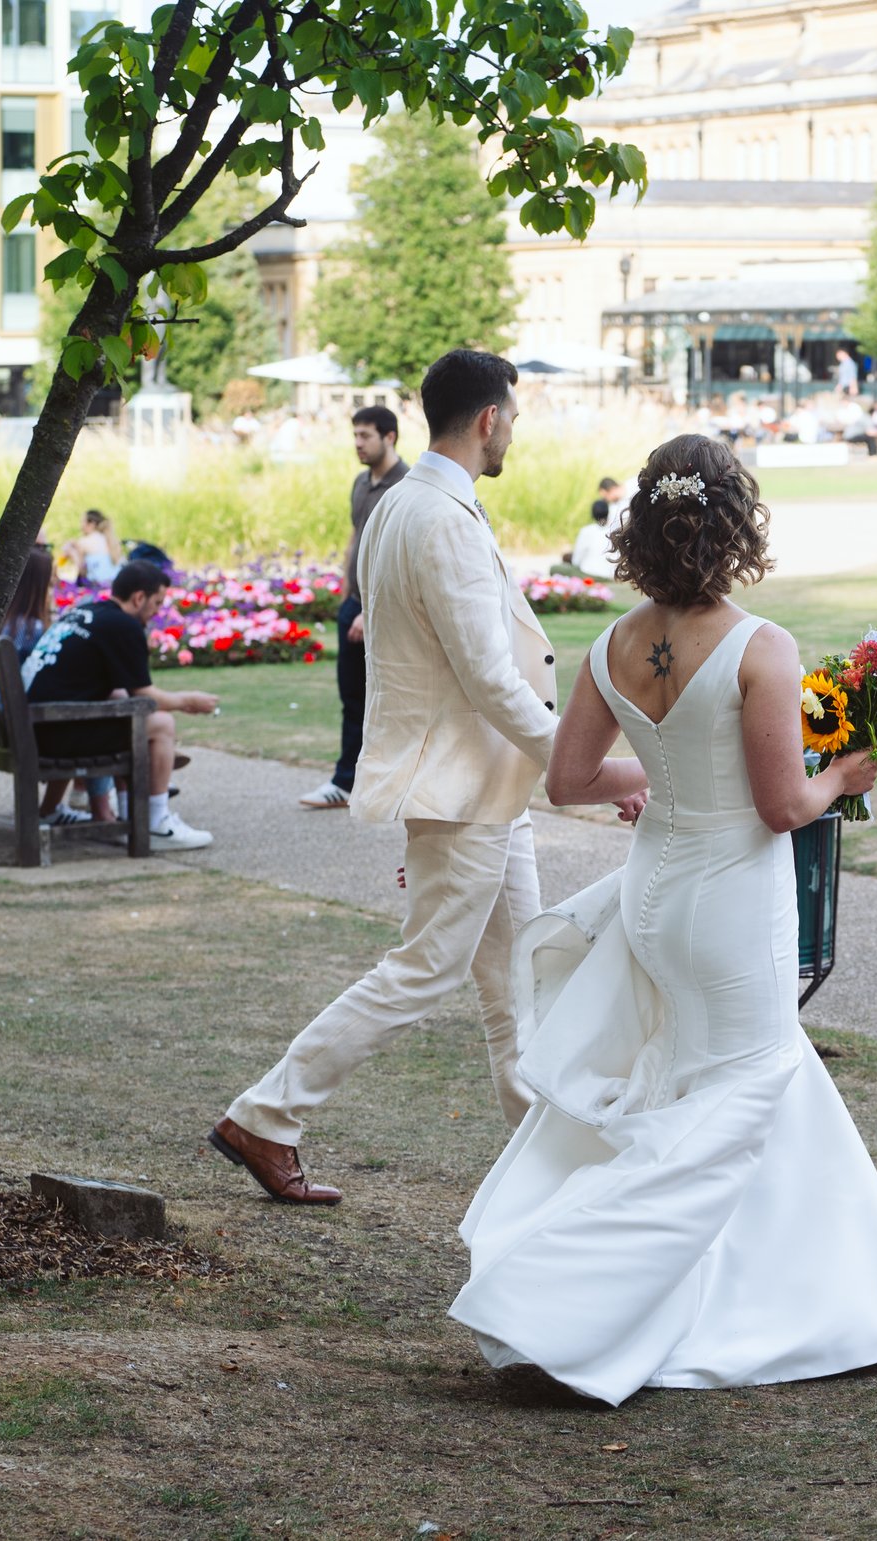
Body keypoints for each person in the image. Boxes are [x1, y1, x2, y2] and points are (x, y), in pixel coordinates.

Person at [449, 432, 877, 1405]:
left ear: (644, 524)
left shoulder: (612, 644)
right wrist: (845, 770)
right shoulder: (761, 645)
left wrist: (671, 779)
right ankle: (558, 1300)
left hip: (655, 892)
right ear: (734, 521)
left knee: (719, 1084)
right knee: (744, 1085)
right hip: (726, 901)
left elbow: (574, 776)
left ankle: (813, 1301)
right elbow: (780, 806)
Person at [212, 349, 647, 1205]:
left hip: (486, 786)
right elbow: (489, 677)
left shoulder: (413, 504)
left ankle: (547, 1164)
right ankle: (266, 1114)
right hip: (460, 789)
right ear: (488, 419)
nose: (514, 431)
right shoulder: (436, 515)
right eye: (513, 418)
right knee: (426, 971)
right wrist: (581, 761)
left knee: (515, 986)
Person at [19, 559, 218, 848]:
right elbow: (146, 696)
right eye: (157, 603)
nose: (157, 612)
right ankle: (155, 823)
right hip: (52, 736)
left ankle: (130, 816)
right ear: (139, 598)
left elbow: (122, 692)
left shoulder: (86, 611)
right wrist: (188, 701)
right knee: (161, 724)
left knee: (124, 705)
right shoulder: (123, 625)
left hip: (31, 726)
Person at [299, 405, 409, 811]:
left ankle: (385, 782)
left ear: (390, 436)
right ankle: (348, 782)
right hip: (354, 606)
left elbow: (398, 555)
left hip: (382, 614)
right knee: (353, 699)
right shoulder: (361, 483)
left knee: (390, 699)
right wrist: (348, 593)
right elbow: (357, 537)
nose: (358, 444)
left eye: (366, 436)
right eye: (356, 436)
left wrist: (370, 610)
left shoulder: (406, 484)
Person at [572, 478, 621, 578]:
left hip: (590, 573)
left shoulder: (586, 531)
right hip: (612, 574)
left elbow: (576, 560)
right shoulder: (616, 531)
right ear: (608, 513)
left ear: (593, 514)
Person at [73, 509, 122, 585]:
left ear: (91, 524)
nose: (80, 526)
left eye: (82, 521)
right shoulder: (112, 540)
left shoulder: (84, 541)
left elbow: (82, 572)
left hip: (99, 587)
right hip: (118, 583)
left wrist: (71, 553)